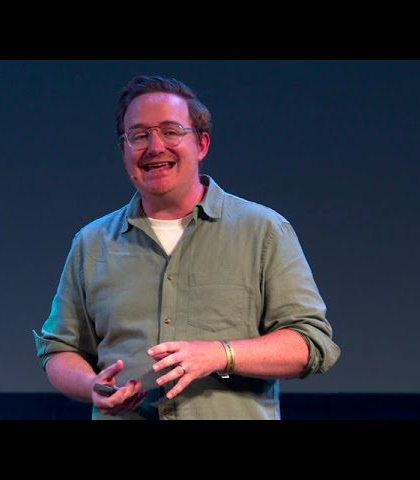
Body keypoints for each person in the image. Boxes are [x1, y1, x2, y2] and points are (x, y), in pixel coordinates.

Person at [33, 74, 340, 420]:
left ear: (202, 144)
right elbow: (60, 349)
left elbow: (310, 342)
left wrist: (221, 354)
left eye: (171, 131)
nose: (154, 147)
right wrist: (92, 385)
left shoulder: (263, 231)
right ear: (123, 150)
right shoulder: (92, 243)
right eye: (138, 136)